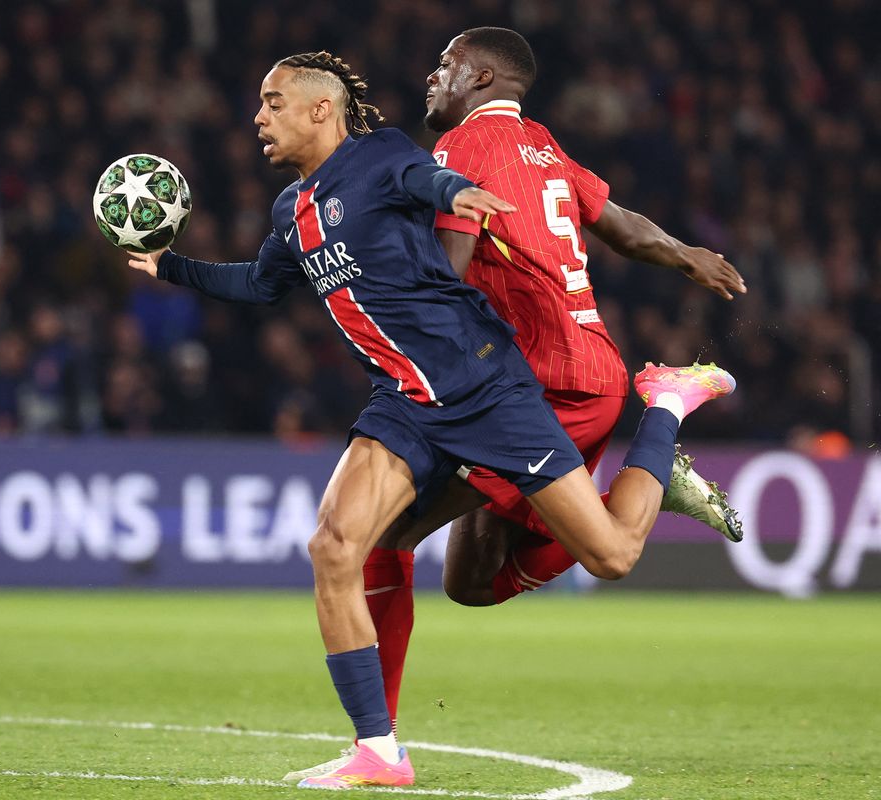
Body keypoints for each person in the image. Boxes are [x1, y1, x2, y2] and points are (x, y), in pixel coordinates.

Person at [124, 50, 735, 789]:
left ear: (323, 109)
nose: (259, 115)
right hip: (406, 404)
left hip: (486, 388)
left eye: (272, 100)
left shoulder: (379, 155)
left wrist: (460, 192)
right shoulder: (293, 210)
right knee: (335, 546)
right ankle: (378, 750)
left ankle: (666, 407)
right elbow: (259, 284)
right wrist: (172, 266)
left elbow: (425, 178)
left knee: (610, 555)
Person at [284, 27, 751, 786]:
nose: (431, 76)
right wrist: (685, 254)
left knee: (399, 537)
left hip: (537, 385)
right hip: (558, 376)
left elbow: (446, 278)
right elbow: (622, 227)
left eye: (445, 64)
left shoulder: (462, 152)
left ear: (482, 75)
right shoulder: (538, 144)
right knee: (469, 581)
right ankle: (649, 481)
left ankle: (664, 412)